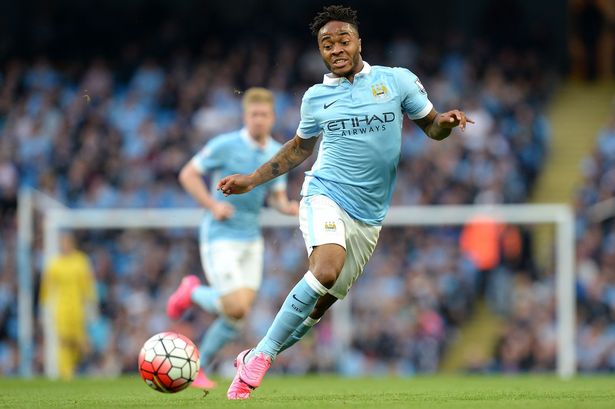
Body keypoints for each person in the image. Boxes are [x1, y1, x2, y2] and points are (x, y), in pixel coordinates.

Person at [218, 5, 474, 399]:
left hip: (369, 217)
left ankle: (254, 354)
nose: (336, 48)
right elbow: (299, 148)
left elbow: (432, 127)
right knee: (325, 270)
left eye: (343, 40)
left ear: (358, 42)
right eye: (327, 44)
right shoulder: (316, 97)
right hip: (326, 194)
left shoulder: (396, 81)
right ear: (320, 51)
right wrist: (252, 180)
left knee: (318, 307)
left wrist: (447, 122)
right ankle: (262, 359)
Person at [166, 87, 299, 389]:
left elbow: (276, 198)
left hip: (251, 239)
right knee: (235, 307)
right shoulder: (224, 145)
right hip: (220, 235)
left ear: (273, 117)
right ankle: (192, 292)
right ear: (245, 116)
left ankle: (197, 367)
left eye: (264, 114)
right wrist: (212, 205)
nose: (259, 119)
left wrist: (288, 207)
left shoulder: (276, 153)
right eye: (254, 114)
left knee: (237, 315)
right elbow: (188, 174)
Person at [39, 232, 98, 379]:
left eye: (67, 242)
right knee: (63, 340)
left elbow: (88, 284)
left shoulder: (81, 261)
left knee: (79, 341)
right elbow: (46, 288)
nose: (64, 245)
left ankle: (90, 365)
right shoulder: (55, 264)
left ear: (72, 243)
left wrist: (92, 304)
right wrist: (43, 307)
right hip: (61, 309)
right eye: (62, 242)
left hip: (78, 307)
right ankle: (67, 374)